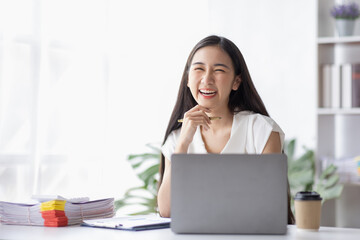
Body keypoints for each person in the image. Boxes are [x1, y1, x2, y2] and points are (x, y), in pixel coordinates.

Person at [157, 35, 295, 224]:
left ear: (236, 82)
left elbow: (269, 205)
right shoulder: (176, 139)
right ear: (188, 79)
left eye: (219, 70)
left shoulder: (261, 131)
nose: (207, 79)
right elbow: (166, 211)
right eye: (199, 69)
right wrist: (183, 144)